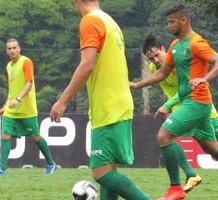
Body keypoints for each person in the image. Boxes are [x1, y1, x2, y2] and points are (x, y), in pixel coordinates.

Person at [130, 5, 218, 200]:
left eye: (171, 22)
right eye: (167, 22)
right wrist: (138, 85)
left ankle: (175, 188)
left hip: (196, 102)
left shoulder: (196, 43)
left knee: (164, 135)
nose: (168, 26)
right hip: (192, 103)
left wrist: (205, 78)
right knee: (211, 146)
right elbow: (162, 73)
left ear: (184, 20)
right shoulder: (175, 45)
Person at [49, 0, 150, 199]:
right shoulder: (109, 20)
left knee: (101, 172)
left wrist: (62, 101)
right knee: (108, 169)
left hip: (108, 108)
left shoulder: (90, 21)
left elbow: (87, 66)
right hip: (118, 104)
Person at [0, 38, 56, 175]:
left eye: (14, 48)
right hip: (11, 110)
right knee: (5, 135)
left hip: (27, 110)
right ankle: (2, 168)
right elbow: (12, 90)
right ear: (6, 51)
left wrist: (18, 99)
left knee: (36, 136)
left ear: (19, 49)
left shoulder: (26, 62)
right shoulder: (8, 66)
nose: (12, 50)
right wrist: (5, 107)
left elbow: (29, 83)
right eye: (9, 48)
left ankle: (50, 163)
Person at [143, 35, 202, 192]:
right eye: (151, 58)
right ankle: (190, 174)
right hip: (178, 107)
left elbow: (186, 87)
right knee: (167, 138)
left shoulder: (176, 65)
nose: (155, 60)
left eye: (157, 55)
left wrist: (168, 104)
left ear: (164, 49)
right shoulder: (153, 68)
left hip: (192, 103)